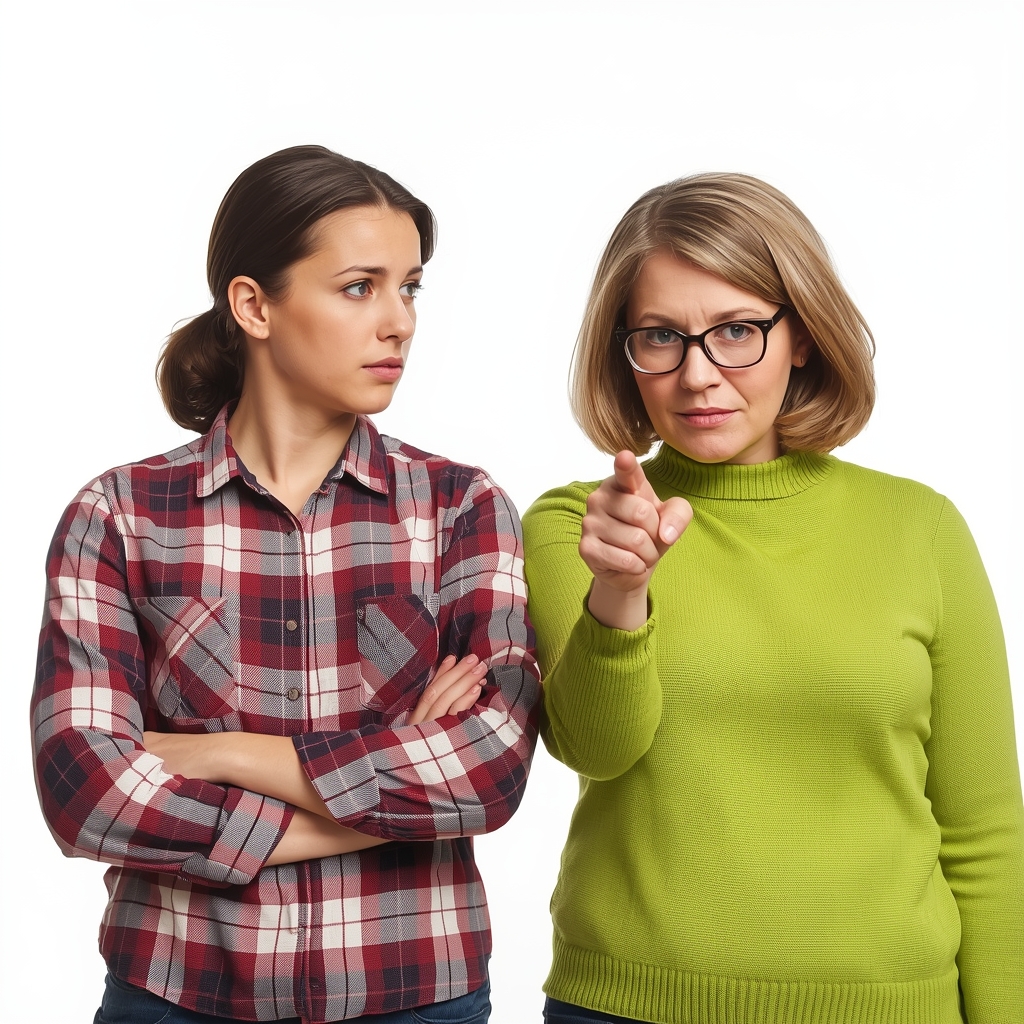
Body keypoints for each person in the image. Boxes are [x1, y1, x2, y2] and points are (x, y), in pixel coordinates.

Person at [31, 145, 540, 1024]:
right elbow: (87, 793)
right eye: (360, 287)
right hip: (177, 993)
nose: (400, 323)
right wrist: (388, 788)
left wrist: (222, 753)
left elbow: (489, 771)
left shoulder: (462, 506)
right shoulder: (118, 515)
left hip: (415, 992)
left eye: (411, 288)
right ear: (253, 305)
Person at [522, 173, 1023, 1023]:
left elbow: (985, 834)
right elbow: (598, 749)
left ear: (803, 337)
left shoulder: (921, 528)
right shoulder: (580, 525)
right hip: (629, 1007)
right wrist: (621, 589)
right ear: (623, 352)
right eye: (660, 337)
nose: (697, 375)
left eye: (736, 331)